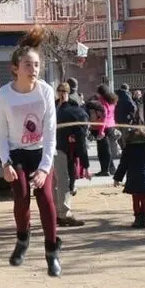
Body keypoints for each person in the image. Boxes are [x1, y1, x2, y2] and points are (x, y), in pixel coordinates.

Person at [0, 27, 61, 277]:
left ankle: (52, 252)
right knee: (21, 195)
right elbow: (1, 133)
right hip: (17, 153)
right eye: (27, 65)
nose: (33, 69)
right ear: (15, 68)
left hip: (40, 152)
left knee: (45, 198)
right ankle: (22, 238)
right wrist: (5, 162)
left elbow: (51, 132)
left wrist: (44, 168)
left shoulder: (45, 91)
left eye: (36, 65)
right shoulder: (3, 95)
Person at [113, 126, 145, 229]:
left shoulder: (128, 149)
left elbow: (122, 165)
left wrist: (117, 178)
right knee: (144, 199)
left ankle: (137, 219)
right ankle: (144, 220)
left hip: (133, 178)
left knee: (136, 199)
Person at [54, 83, 90, 227]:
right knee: (60, 183)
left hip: (64, 150)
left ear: (68, 93)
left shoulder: (74, 111)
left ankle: (62, 213)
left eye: (64, 91)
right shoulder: (54, 107)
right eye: (60, 91)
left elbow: (81, 139)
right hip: (53, 149)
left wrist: (85, 164)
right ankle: (61, 214)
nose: (62, 93)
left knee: (64, 182)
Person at [95, 84, 119, 176]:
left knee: (103, 150)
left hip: (104, 127)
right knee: (107, 149)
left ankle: (105, 170)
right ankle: (111, 168)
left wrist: (101, 131)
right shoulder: (111, 100)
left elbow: (103, 117)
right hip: (111, 126)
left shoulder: (101, 101)